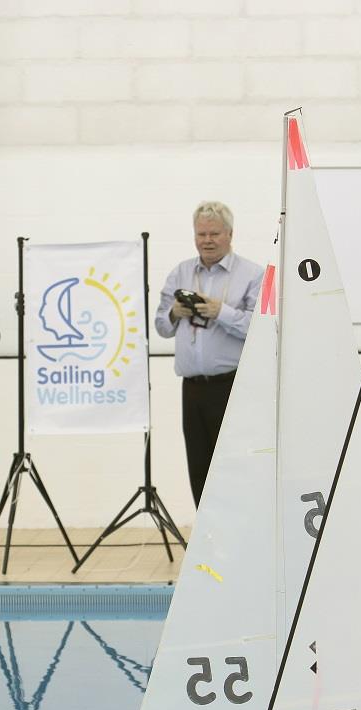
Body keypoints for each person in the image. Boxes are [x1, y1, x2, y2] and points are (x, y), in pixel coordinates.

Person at [155, 201, 263, 507]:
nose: (207, 240)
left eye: (214, 233)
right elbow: (161, 326)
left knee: (234, 466)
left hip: (232, 387)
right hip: (192, 389)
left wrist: (221, 311)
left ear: (230, 234)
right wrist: (174, 313)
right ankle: (208, 541)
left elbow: (261, 329)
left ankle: (240, 536)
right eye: (201, 234)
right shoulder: (181, 273)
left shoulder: (252, 274)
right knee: (198, 467)